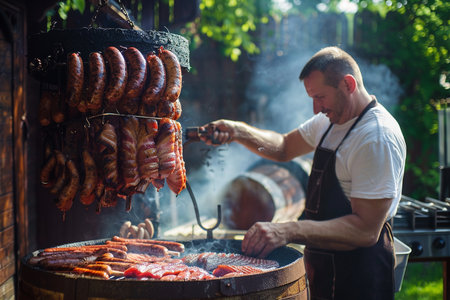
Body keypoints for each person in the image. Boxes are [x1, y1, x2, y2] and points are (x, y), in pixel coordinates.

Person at [199, 46, 406, 300]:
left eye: (320, 97)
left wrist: (288, 230)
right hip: (325, 268)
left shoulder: (375, 138)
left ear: (348, 84)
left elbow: (365, 230)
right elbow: (284, 147)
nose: (315, 109)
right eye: (312, 98)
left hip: (361, 276)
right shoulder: (330, 121)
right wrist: (237, 131)